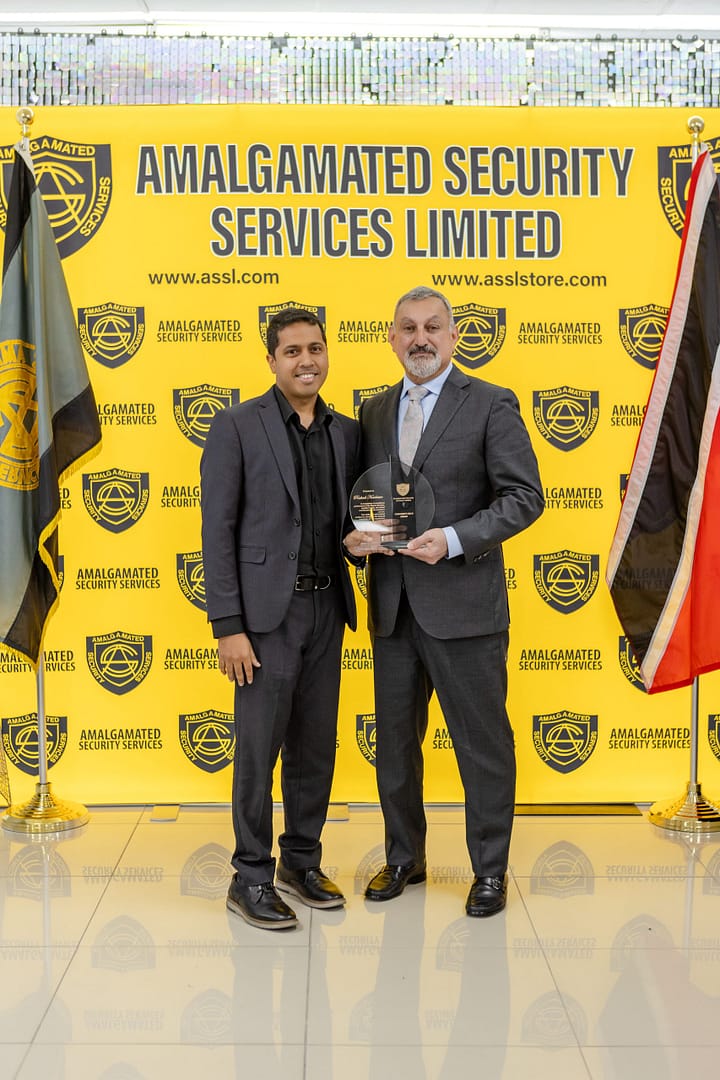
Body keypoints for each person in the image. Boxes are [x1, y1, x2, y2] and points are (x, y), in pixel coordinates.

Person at [344, 285, 544, 917]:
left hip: (465, 609)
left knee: (482, 746)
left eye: (433, 327)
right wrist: (356, 540)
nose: (421, 338)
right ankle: (404, 857)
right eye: (408, 328)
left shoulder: (491, 402)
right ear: (391, 338)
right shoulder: (373, 411)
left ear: (454, 337)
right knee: (395, 747)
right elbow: (365, 502)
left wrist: (454, 539)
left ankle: (490, 871)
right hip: (393, 609)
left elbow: (524, 497)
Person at [201, 307, 360, 930]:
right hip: (266, 618)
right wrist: (228, 626)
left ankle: (301, 861)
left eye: (315, 348)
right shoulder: (236, 426)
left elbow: (348, 521)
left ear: (327, 354)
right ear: (271, 361)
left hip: (328, 608)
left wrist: (362, 543)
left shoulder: (346, 432)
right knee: (258, 749)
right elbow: (217, 532)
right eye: (292, 351)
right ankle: (249, 876)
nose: (306, 361)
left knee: (315, 745)